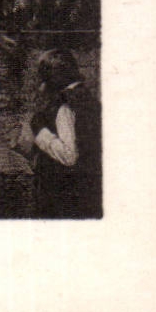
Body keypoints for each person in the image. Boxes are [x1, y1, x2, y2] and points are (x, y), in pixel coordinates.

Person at [17, 48, 101, 218]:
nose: (42, 85)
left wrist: (41, 132)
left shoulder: (64, 104)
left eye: (45, 78)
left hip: (65, 193)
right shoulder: (89, 99)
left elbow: (69, 156)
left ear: (56, 77)